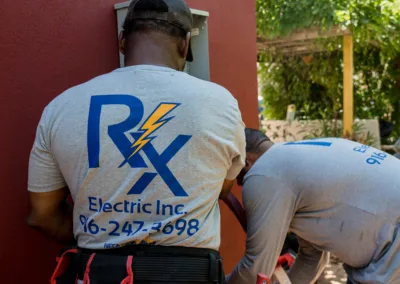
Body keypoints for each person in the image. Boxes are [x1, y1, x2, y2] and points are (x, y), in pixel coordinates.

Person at [27, 0, 245, 282]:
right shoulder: (222, 104)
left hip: (100, 273)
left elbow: (41, 216)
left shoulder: (61, 107)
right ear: (185, 44)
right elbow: (218, 189)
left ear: (122, 40)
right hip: (190, 275)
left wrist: (107, 230)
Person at [227, 128, 400, 284]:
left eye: (238, 177)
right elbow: (312, 258)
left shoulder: (264, 173)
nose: (240, 184)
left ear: (246, 162)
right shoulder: (296, 161)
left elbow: (256, 268)